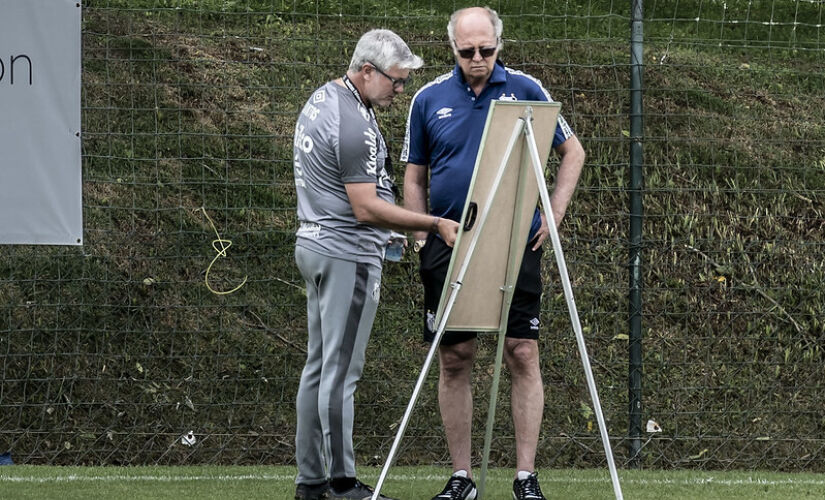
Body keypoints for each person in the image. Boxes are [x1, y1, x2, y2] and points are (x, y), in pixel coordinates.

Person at [401, 7, 586, 500]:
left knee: (522, 351)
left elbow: (573, 152)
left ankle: (526, 477)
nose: (478, 59)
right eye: (467, 52)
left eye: (486, 50)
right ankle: (462, 478)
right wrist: (421, 238)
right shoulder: (428, 98)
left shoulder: (527, 88)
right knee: (455, 357)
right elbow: (414, 176)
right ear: (453, 49)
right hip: (449, 242)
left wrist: (554, 215)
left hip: (514, 240)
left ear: (499, 45)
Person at [292, 29, 459, 500]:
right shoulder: (354, 122)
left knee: (319, 367)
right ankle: (342, 484)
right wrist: (430, 222)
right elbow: (365, 207)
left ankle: (311, 481)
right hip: (347, 253)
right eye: (396, 81)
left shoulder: (322, 99)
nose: (400, 91)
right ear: (367, 70)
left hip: (315, 243)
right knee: (341, 372)